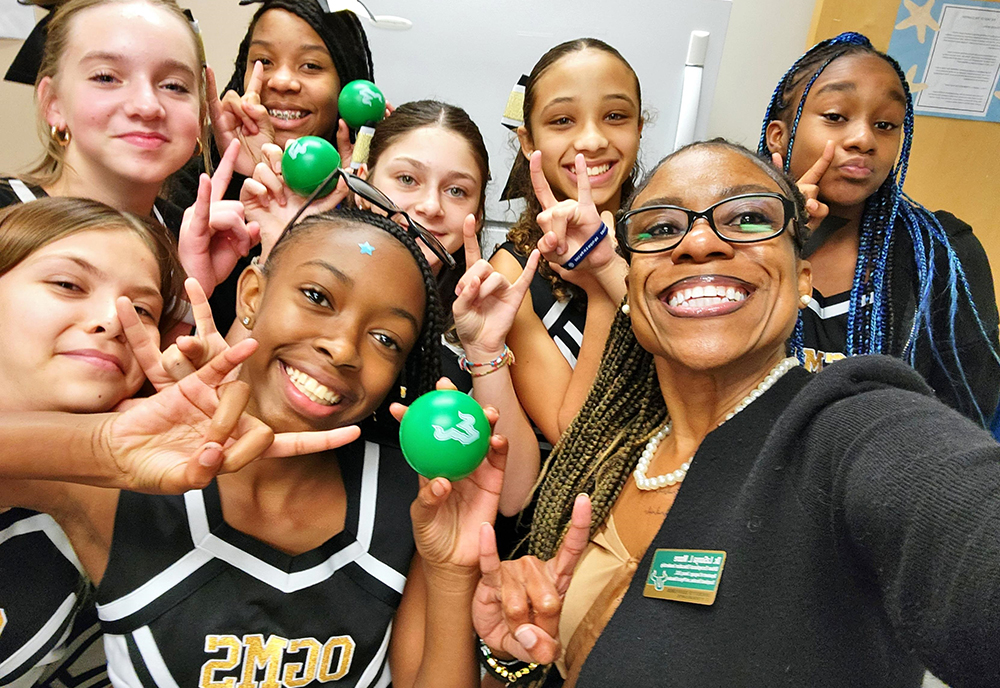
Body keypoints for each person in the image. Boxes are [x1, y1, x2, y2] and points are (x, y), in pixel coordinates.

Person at [472, 140, 1000, 688]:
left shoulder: (850, 430)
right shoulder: (611, 453)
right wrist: (519, 654)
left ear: (802, 281)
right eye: (661, 226)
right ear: (632, 283)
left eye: (748, 218)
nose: (699, 241)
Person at [1, 208, 502, 687]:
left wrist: (451, 573)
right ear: (251, 295)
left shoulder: (410, 500)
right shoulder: (122, 478)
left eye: (386, 339)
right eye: (317, 296)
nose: (344, 348)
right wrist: (105, 447)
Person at [760, 31, 1000, 426]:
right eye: (836, 117)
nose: (864, 139)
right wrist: (776, 236)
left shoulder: (942, 251)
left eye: (886, 124)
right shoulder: (723, 238)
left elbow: (969, 409)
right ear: (779, 137)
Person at [0, 197, 181, 686]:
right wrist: (96, 445)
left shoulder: (133, 491)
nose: (113, 320)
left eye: (142, 309)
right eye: (67, 284)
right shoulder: (111, 454)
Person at [0, 0, 258, 309]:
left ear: (200, 110)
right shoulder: (6, 218)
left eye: (174, 86)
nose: (147, 106)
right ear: (53, 103)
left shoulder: (202, 239)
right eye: (107, 78)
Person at [492, 38, 638, 453]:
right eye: (561, 121)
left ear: (639, 127)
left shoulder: (672, 236)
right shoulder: (511, 274)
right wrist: (599, 290)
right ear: (528, 140)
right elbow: (577, 440)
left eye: (615, 115)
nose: (591, 140)